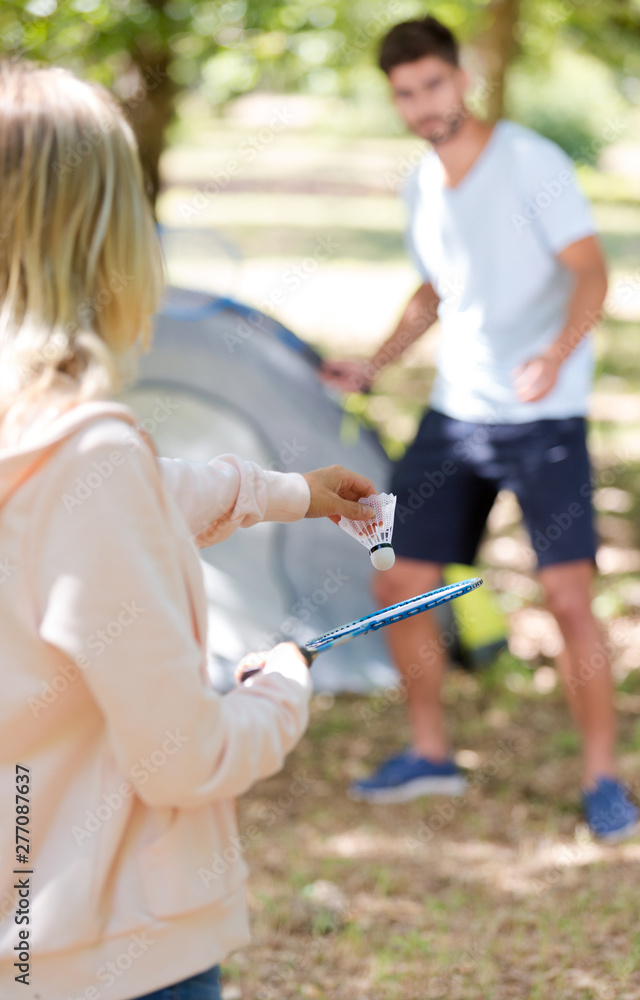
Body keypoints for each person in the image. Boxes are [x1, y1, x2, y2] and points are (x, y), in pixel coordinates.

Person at [0, 60, 378, 1000]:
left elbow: (140, 495)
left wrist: (291, 492)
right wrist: (281, 682)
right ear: (104, 236)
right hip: (110, 951)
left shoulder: (34, 442)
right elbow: (185, 759)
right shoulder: (86, 459)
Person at [321, 16, 640, 840]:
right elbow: (434, 292)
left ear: (459, 78)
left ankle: (602, 779)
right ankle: (430, 753)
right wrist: (376, 364)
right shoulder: (420, 184)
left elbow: (590, 271)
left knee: (567, 597)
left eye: (432, 84)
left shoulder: (530, 161)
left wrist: (554, 354)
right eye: (404, 94)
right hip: (457, 413)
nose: (422, 105)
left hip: (544, 417)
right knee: (395, 578)